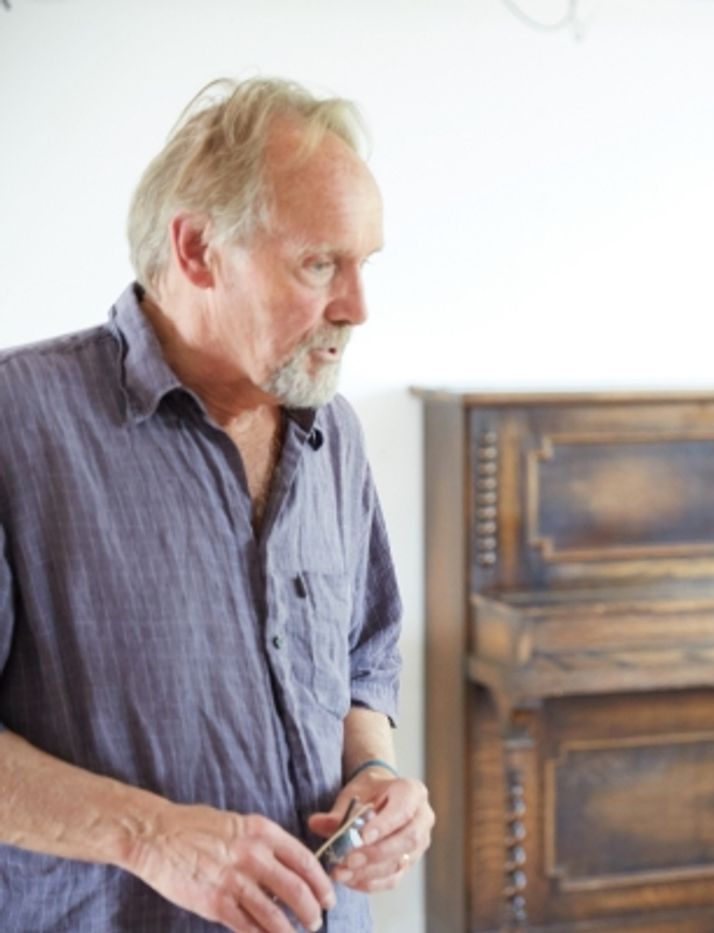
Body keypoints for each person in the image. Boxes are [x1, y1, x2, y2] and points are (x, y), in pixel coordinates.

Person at [0, 77, 433, 932]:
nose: (358, 307)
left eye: (363, 265)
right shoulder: (16, 423)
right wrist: (150, 836)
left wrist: (376, 777)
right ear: (197, 249)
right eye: (320, 264)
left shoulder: (332, 430)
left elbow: (361, 665)